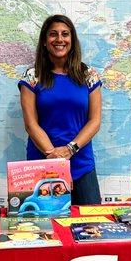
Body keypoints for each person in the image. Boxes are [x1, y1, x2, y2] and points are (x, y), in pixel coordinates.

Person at [18, 14, 103, 206]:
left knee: (91, 226)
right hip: (41, 164)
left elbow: (94, 121)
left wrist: (69, 150)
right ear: (45, 41)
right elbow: (31, 124)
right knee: (41, 228)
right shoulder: (32, 76)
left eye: (65, 34)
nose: (59, 39)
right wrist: (54, 158)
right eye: (53, 34)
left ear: (72, 40)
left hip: (81, 165)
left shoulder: (88, 75)